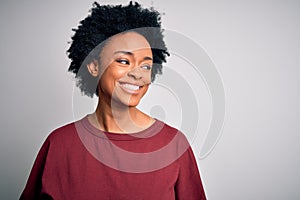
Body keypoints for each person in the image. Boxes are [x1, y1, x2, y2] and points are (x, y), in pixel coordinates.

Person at [20, 1, 206, 199]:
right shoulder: (59, 144)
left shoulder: (173, 145)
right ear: (93, 66)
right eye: (123, 61)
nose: (137, 74)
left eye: (145, 66)